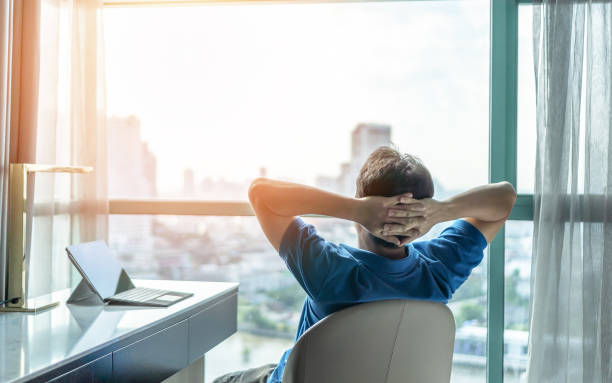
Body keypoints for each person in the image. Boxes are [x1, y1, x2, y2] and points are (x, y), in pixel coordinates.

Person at [212, 146, 517, 383]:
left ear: (362, 202)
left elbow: (260, 194)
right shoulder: (439, 270)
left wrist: (355, 209)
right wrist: (441, 212)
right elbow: (505, 197)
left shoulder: (330, 271)